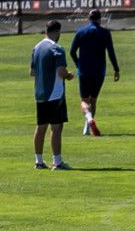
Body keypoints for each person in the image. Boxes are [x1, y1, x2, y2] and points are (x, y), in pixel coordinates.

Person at [68, 9, 120, 136]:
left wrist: (78, 65)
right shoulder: (105, 32)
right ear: (100, 19)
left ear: (88, 19)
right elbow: (111, 52)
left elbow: (72, 51)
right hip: (99, 71)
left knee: (84, 101)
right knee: (94, 100)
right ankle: (88, 127)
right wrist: (116, 69)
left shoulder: (81, 32)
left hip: (84, 71)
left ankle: (89, 120)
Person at [31, 20, 72, 170]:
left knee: (41, 127)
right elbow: (61, 71)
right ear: (57, 32)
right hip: (55, 93)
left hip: (40, 93)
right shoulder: (57, 49)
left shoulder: (36, 48)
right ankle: (57, 161)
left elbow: (32, 72)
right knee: (56, 127)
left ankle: (39, 161)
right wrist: (68, 75)